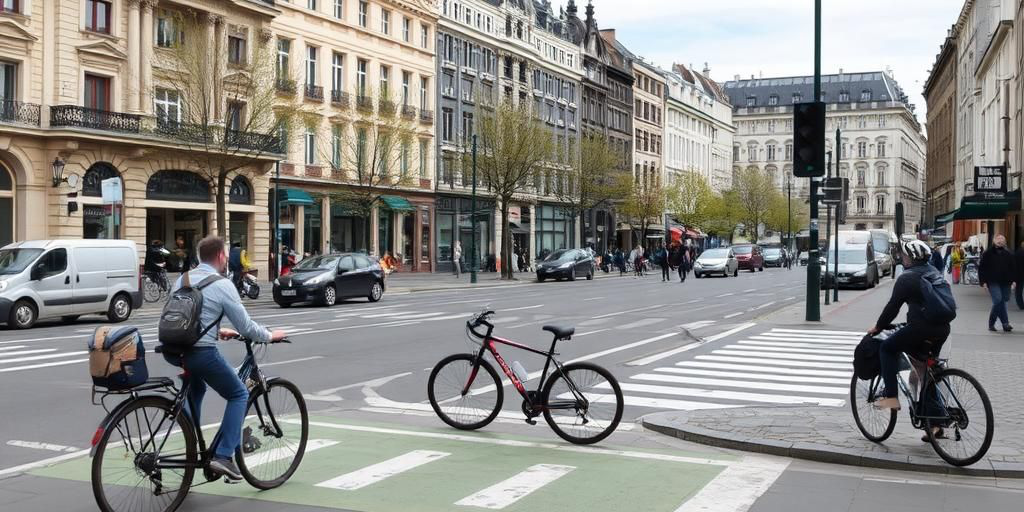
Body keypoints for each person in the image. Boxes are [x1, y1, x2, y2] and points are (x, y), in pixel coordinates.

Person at [163, 236, 287, 481]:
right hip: (200, 354)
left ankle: (190, 447)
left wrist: (216, 331)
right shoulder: (222, 284)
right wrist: (270, 336)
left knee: (196, 389)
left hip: (173, 350)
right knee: (239, 394)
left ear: (200, 257)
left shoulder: (182, 279)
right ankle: (223, 457)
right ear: (221, 257)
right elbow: (246, 326)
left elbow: (183, 317)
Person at [867, 240, 952, 435]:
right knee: (925, 372)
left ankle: (891, 398)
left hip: (920, 329)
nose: (902, 258)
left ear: (908, 258)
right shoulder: (934, 272)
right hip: (943, 330)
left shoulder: (907, 278)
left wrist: (878, 327)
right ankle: (935, 423)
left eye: (904, 255)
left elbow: (892, 307)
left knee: (887, 348)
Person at [979, 234, 1016, 331]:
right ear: (994, 241)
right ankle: (1004, 323)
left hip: (1006, 282)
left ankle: (993, 323)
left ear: (1005, 242)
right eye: (998, 239)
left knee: (1003, 301)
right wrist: (983, 282)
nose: (1000, 241)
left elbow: (1013, 269)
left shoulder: (1009, 254)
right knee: (998, 300)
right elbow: (982, 268)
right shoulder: (987, 253)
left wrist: (1014, 281)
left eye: (1002, 239)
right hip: (992, 281)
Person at [1015, 241, 1024, 310]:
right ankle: (1021, 305)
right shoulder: (1019, 253)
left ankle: (1021, 305)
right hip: (1020, 275)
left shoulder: (1017, 252)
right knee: (1019, 290)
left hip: (1019, 275)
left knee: (1019, 290)